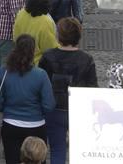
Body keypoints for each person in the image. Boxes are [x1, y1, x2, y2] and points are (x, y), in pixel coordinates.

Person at [0, 35, 55, 164]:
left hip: (11, 125)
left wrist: (6, 108)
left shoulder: (4, 71)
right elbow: (49, 105)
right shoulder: (41, 75)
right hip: (36, 126)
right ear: (33, 51)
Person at [39, 17, 98, 164]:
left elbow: (41, 86)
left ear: (58, 36)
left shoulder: (47, 57)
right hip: (78, 110)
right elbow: (93, 89)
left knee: (57, 151)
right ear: (78, 36)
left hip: (54, 110)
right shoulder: (87, 59)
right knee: (82, 153)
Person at [13, 0, 58, 64]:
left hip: (20, 61)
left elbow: (15, 37)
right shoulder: (46, 21)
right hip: (37, 64)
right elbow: (50, 49)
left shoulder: (21, 13)